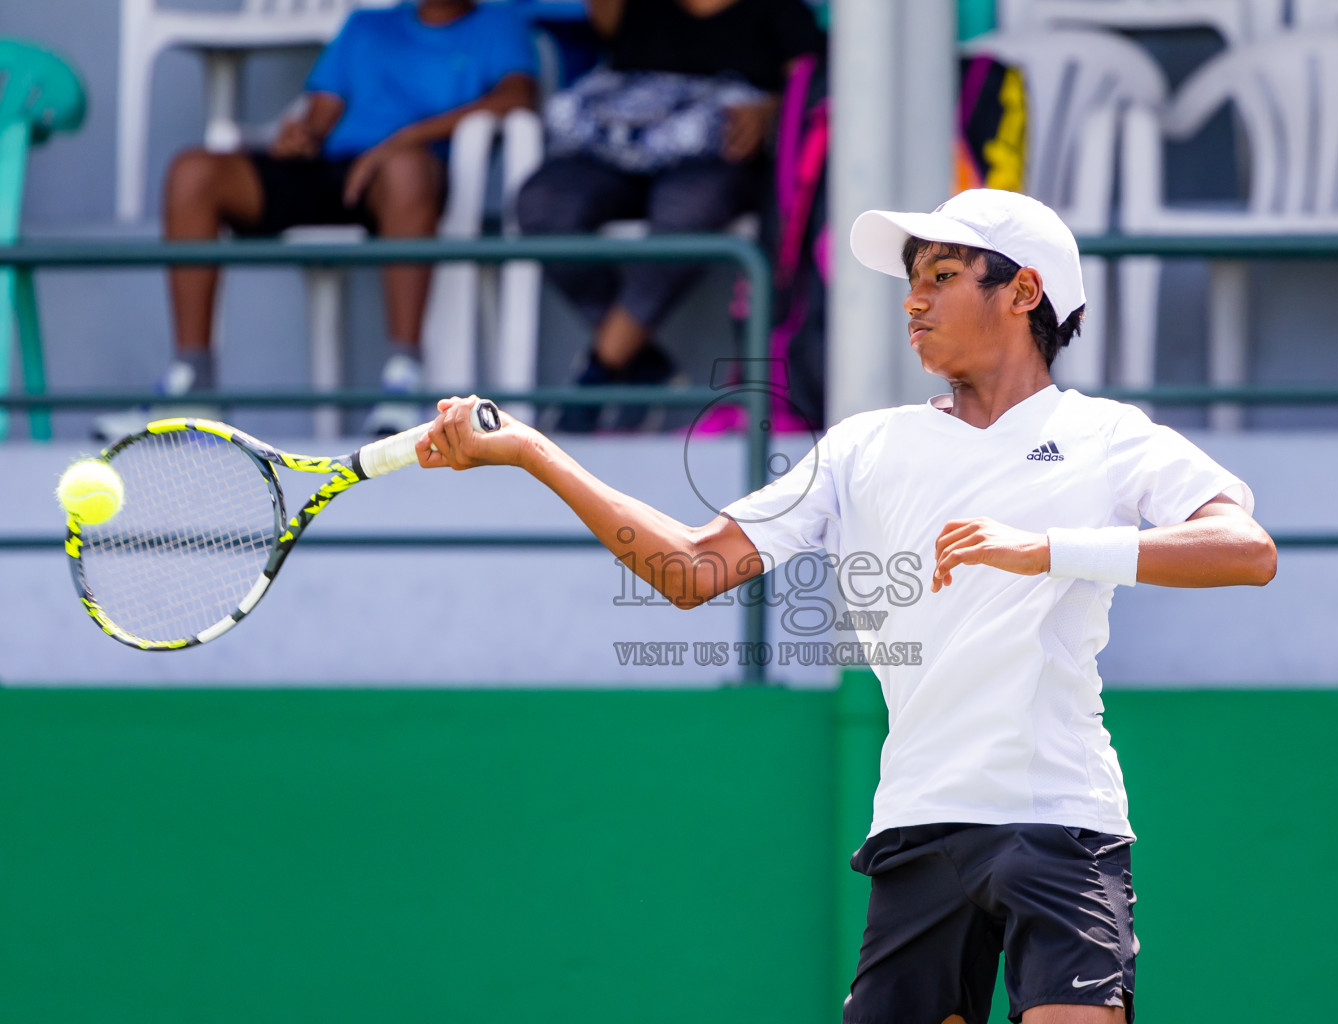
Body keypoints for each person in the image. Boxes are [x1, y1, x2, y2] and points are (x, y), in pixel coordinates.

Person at [417, 188, 1277, 1023]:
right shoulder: (865, 445)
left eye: (942, 275)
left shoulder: (1112, 436)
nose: (914, 302)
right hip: (917, 829)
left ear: (1022, 291)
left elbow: (1246, 550)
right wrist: (531, 452)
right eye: (912, 281)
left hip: (1058, 823)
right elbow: (686, 570)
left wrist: (1044, 548)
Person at [95, 0, 539, 441]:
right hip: (332, 172)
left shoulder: (498, 23)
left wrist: (402, 140)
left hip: (407, 179)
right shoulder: (366, 26)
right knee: (193, 172)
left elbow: (519, 97)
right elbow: (320, 115)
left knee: (405, 170)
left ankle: (405, 380)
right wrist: (299, 136)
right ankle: (192, 382)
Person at [515, 0, 824, 432]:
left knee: (686, 210)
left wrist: (767, 111)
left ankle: (599, 372)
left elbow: (810, 95)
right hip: (619, 150)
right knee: (543, 204)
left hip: (718, 157)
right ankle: (633, 360)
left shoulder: (782, 12)